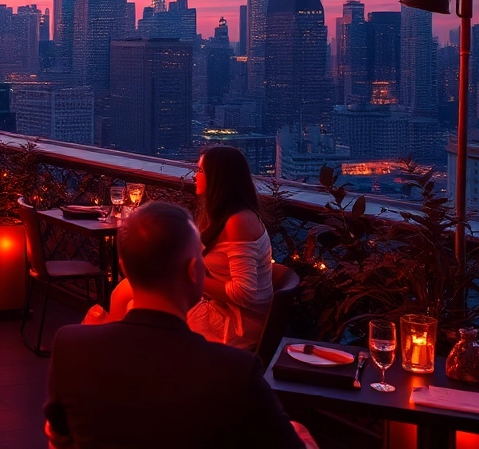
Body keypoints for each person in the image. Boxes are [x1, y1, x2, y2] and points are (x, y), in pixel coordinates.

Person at [45, 202, 308, 449]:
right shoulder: (236, 370)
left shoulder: (70, 345)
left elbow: (58, 439)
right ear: (194, 270)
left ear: (124, 267)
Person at [103, 146, 274, 350]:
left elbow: (245, 293)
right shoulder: (222, 216)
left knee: (137, 307)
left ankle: (117, 353)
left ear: (218, 177)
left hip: (235, 324)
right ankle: (119, 351)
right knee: (125, 290)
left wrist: (189, 277)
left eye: (200, 171)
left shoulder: (239, 222)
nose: (195, 176)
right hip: (219, 305)